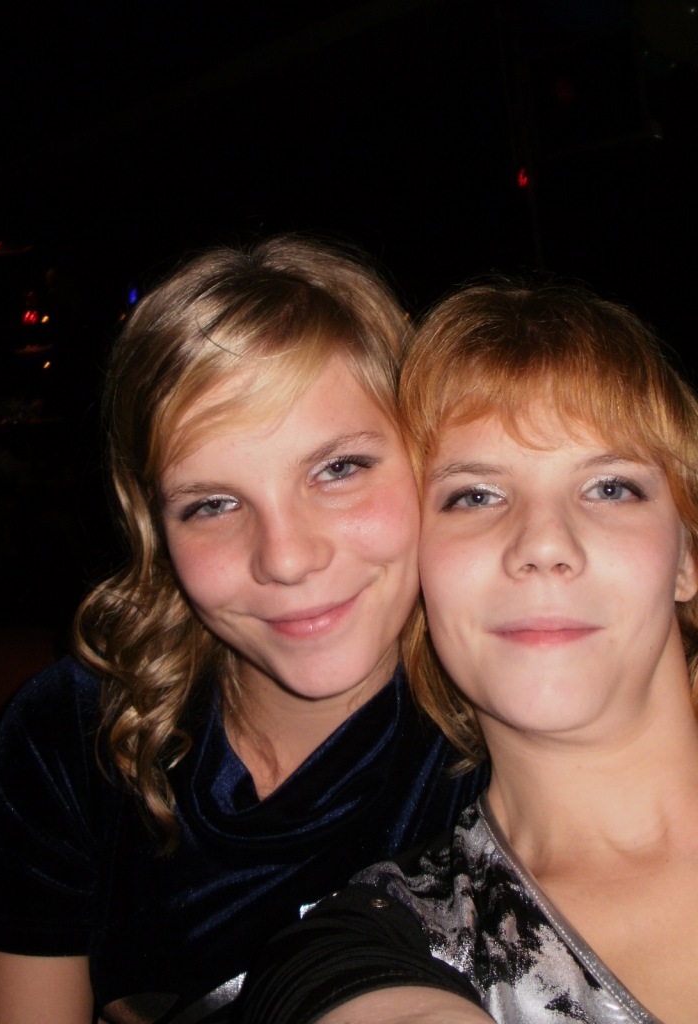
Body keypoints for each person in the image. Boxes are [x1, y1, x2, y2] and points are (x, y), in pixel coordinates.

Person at [0, 236, 487, 1024]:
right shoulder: (74, 733)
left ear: (427, 458)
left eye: (338, 469)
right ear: (153, 528)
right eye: (212, 503)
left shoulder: (508, 734)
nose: (287, 558)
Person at [238, 280, 698, 1024]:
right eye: (475, 496)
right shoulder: (377, 943)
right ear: (418, 570)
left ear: (686, 558)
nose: (542, 543)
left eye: (610, 488)